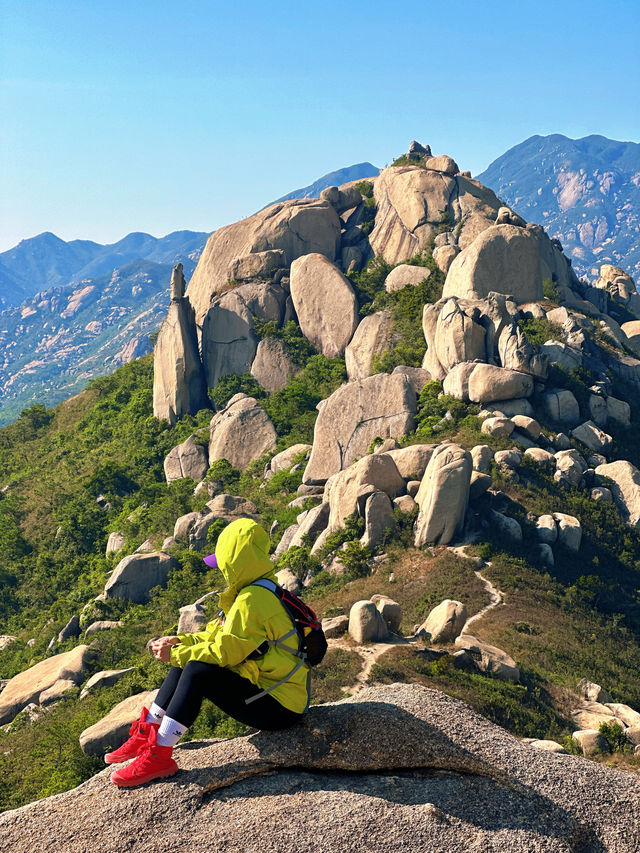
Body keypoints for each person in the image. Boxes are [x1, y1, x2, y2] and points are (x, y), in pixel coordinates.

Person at [106, 517, 308, 787]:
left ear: (235, 563)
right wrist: (181, 642)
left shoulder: (252, 601)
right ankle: (148, 731)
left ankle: (160, 755)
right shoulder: (257, 590)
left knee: (197, 670)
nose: (221, 571)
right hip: (271, 693)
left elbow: (226, 652)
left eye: (223, 565)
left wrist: (176, 654)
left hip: (280, 707)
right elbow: (217, 635)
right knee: (188, 656)